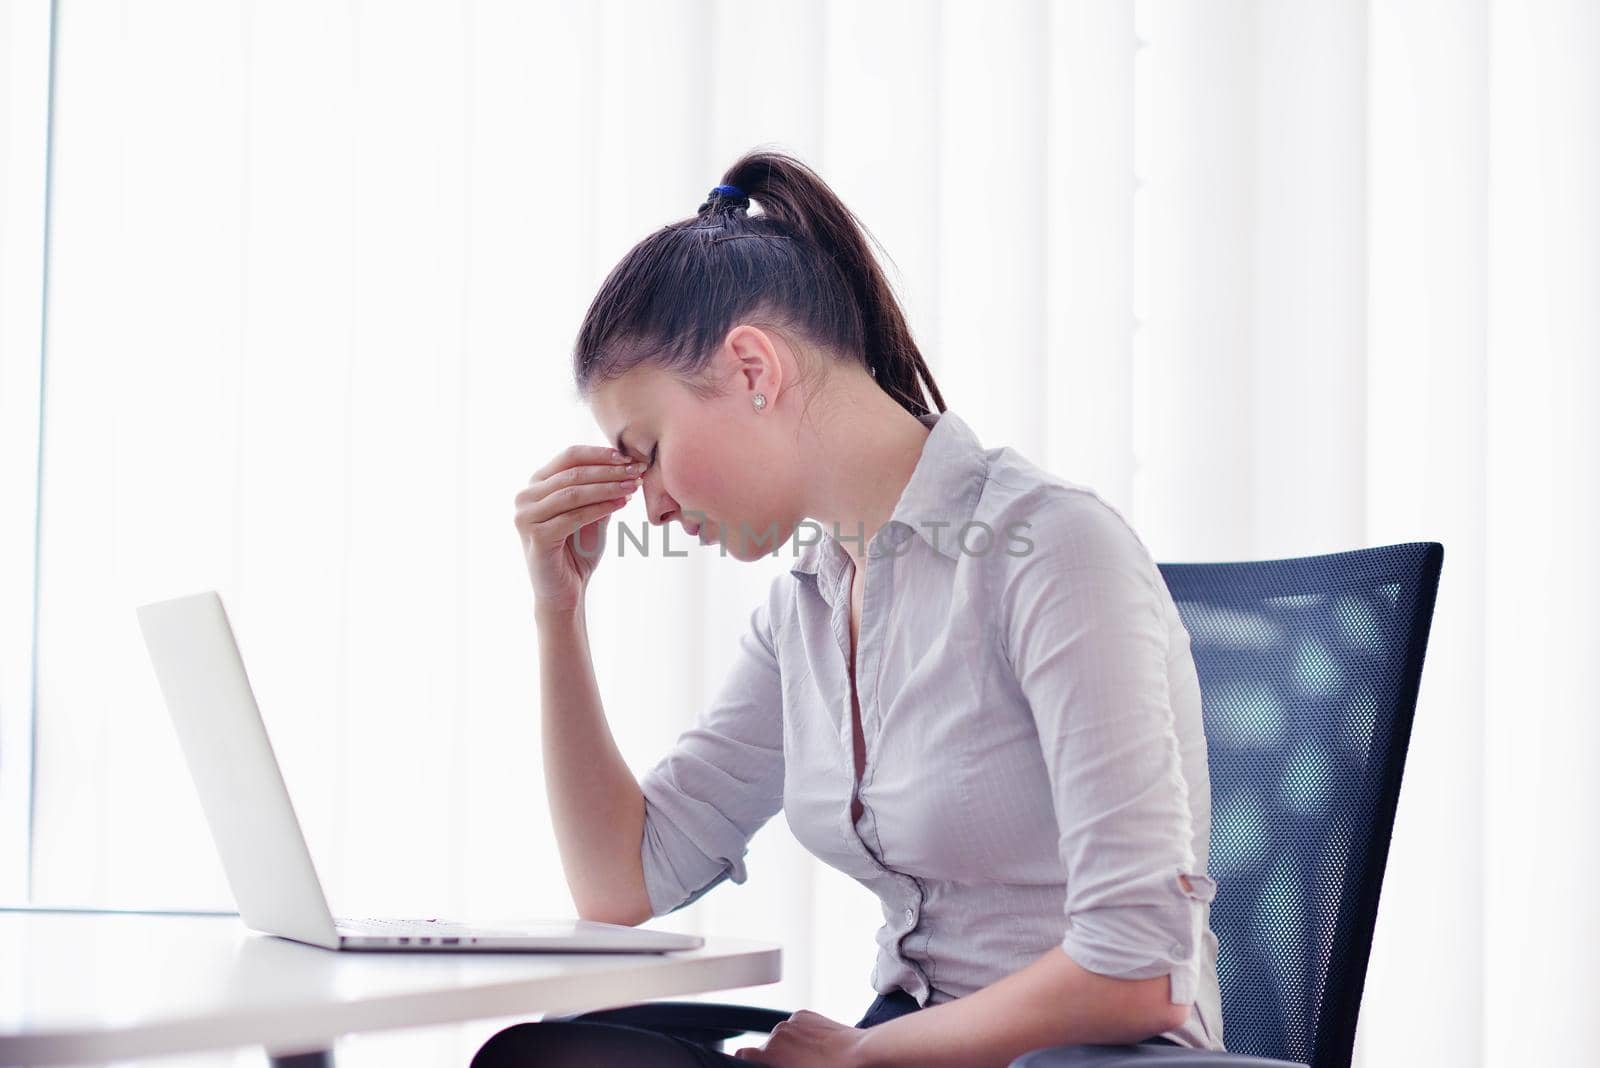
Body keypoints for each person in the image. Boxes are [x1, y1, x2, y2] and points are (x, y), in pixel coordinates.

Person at [492, 149, 1223, 1067]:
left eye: (647, 452)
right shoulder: (806, 605)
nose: (655, 508)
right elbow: (621, 883)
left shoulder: (1052, 549)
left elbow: (1140, 970)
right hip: (899, 1048)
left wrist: (863, 1059)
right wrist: (557, 611)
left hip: (1084, 1063)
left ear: (754, 367)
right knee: (555, 1056)